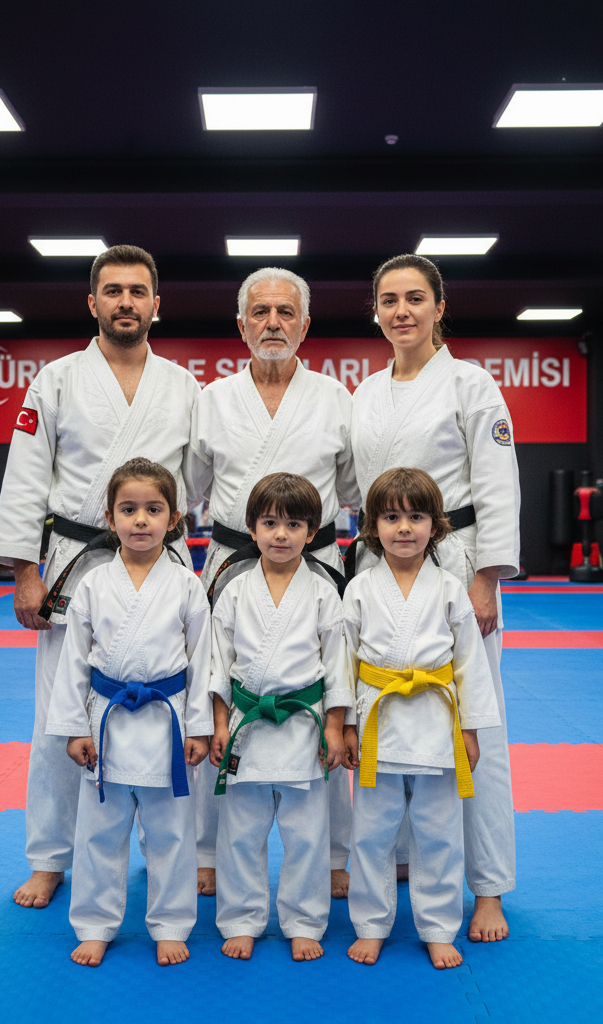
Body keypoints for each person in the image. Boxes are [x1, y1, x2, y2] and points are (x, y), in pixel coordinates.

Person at [0, 245, 201, 911]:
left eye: (138, 291)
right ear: (92, 303)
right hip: (74, 570)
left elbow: (199, 480)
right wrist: (26, 572)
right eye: (112, 291)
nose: (126, 303)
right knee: (61, 716)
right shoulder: (54, 380)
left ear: (156, 304)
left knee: (165, 710)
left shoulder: (184, 386)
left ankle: (164, 852)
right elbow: (27, 479)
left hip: (160, 565)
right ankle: (51, 857)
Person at [351, 254, 521, 943]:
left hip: (456, 561)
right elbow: (350, 488)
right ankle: (397, 857)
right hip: (377, 564)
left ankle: (487, 888)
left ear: (439, 306)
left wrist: (487, 577)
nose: (401, 312)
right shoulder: (364, 392)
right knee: (380, 709)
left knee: (473, 726)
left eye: (415, 298)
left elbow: (499, 482)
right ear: (375, 311)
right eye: (388, 299)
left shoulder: (473, 384)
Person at [185, 266, 359, 899]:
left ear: (306, 325)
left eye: (286, 313)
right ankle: (208, 850)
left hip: (317, 568)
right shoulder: (212, 399)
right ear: (240, 325)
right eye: (260, 313)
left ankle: (336, 856)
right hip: (231, 564)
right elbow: (188, 491)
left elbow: (355, 493)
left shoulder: (337, 399)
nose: (273, 324)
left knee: (326, 708)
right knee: (219, 700)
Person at [45, 459, 213, 967]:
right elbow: (73, 660)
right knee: (99, 832)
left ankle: (169, 923)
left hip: (168, 722)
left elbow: (204, 660)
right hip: (107, 722)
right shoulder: (94, 585)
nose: (141, 520)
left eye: (153, 510)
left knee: (172, 834)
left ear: (175, 517)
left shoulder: (187, 584)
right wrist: (74, 727)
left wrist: (200, 728)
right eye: (129, 509)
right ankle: (95, 924)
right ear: (109, 515)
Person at [342, 468, 499, 969]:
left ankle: (436, 927)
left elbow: (471, 664)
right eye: (391, 517)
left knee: (439, 833)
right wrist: (344, 724)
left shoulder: (451, 588)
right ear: (372, 526)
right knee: (371, 832)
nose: (404, 528)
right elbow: (341, 663)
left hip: (436, 723)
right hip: (376, 725)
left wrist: (469, 729)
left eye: (416, 516)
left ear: (438, 525)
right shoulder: (360, 588)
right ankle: (370, 924)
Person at [209, 473, 351, 962]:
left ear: (313, 533)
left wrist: (334, 725)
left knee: (307, 834)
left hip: (303, 725)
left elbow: (336, 664)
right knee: (240, 834)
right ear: (251, 528)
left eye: (294, 525)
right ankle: (243, 918)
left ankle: (304, 921)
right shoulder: (232, 592)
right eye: (270, 523)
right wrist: (220, 722)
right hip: (247, 728)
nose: (281, 535)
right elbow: (217, 663)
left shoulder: (323, 592)